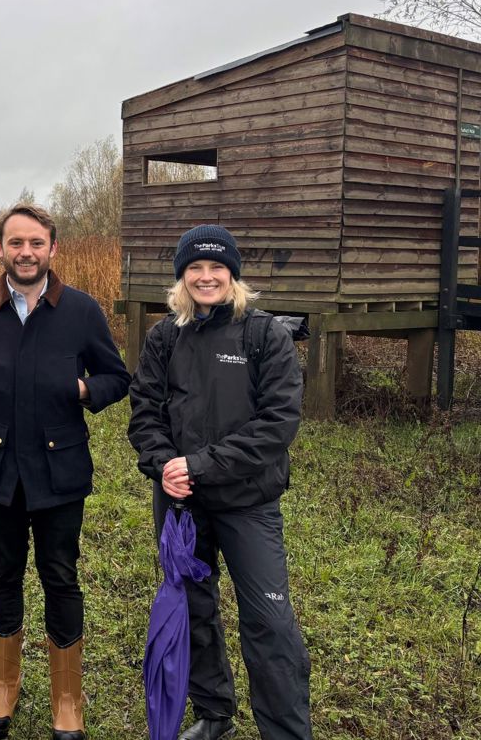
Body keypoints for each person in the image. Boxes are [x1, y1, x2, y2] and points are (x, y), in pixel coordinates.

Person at [0, 203, 130, 740]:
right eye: (16, 243)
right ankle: (3, 687)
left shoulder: (81, 311)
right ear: (0, 250)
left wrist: (83, 389)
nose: (26, 252)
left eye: (36, 243)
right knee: (3, 573)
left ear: (53, 249)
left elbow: (116, 377)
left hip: (60, 472)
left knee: (60, 576)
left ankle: (67, 697)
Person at [127, 224, 312, 740]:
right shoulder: (165, 336)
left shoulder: (265, 336)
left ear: (233, 275)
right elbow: (145, 411)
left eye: (216, 268)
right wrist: (164, 463)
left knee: (269, 623)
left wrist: (201, 465)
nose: (206, 277)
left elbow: (277, 425)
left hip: (248, 503)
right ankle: (214, 714)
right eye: (195, 269)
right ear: (181, 278)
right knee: (193, 609)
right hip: (182, 505)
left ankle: (286, 731)